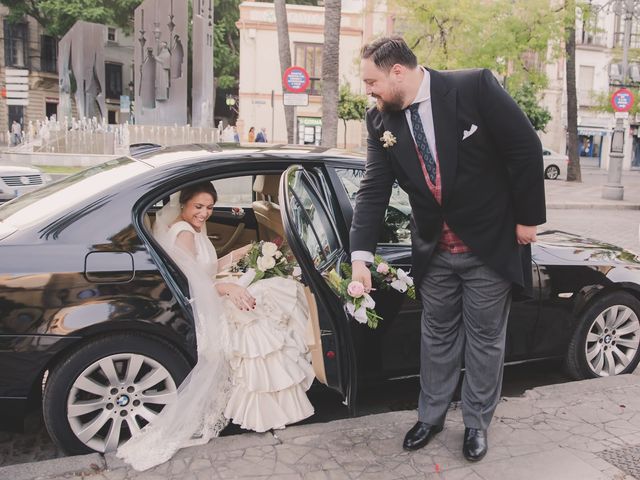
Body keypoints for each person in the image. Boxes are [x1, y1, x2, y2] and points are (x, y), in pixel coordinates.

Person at [349, 37, 545, 462]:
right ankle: (431, 416)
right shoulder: (379, 121)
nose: (368, 90)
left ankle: (476, 423)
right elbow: (373, 189)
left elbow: (524, 146)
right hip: (433, 248)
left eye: (372, 81)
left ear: (397, 71)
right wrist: (359, 256)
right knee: (435, 336)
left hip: (489, 245)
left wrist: (527, 219)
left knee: (485, 340)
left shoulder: (473, 87)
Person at [117, 182, 315, 471]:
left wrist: (246, 252)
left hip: (212, 293)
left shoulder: (192, 228)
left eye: (209, 207)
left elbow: (207, 267)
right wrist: (228, 289)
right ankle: (270, 406)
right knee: (273, 300)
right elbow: (194, 283)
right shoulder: (184, 233)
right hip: (207, 304)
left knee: (274, 290)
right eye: (198, 206)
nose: (205, 213)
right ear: (183, 204)